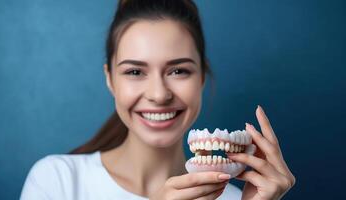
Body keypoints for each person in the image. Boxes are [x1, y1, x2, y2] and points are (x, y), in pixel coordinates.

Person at [20, 0, 295, 199]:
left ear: (201, 77)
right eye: (135, 71)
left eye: (178, 70)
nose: (159, 94)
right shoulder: (57, 182)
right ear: (110, 79)